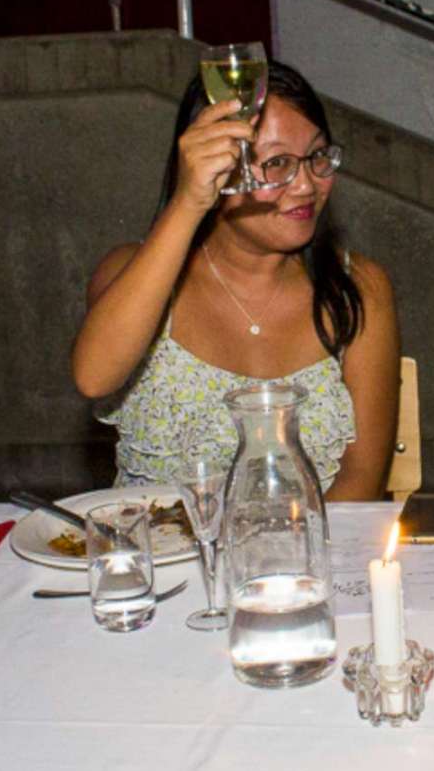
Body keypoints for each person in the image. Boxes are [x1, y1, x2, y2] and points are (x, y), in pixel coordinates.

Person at [71, 59, 399, 501]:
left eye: (317, 157)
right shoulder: (132, 274)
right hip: (161, 545)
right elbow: (93, 378)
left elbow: (361, 479)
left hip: (313, 543)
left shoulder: (356, 289)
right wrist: (189, 201)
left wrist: (286, 543)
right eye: (278, 163)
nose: (306, 185)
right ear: (213, 170)